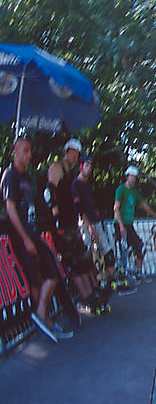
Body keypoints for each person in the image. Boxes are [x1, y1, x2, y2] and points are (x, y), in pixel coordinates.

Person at [1, 138, 71, 342]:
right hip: (21, 236)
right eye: (25, 150)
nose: (29, 155)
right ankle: (44, 320)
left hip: (34, 233)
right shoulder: (10, 175)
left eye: (30, 150)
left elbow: (36, 206)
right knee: (36, 280)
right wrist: (25, 239)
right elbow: (10, 208)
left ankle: (42, 317)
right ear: (15, 151)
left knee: (52, 273)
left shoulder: (27, 177)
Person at [44, 139, 98, 310]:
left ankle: (91, 294)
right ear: (66, 152)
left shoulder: (70, 172)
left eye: (77, 154)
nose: (74, 157)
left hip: (72, 222)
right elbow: (49, 193)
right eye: (72, 153)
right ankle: (85, 296)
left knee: (81, 259)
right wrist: (56, 218)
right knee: (72, 262)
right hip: (61, 223)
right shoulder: (57, 167)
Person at [113, 165, 156, 283]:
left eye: (135, 177)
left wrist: (155, 215)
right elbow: (116, 209)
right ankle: (123, 278)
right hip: (120, 224)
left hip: (129, 224)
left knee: (139, 246)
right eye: (132, 176)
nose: (133, 179)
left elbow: (144, 205)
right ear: (127, 176)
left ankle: (138, 273)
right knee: (123, 250)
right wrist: (121, 226)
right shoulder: (121, 189)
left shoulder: (134, 192)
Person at [73, 156, 115, 281]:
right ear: (81, 166)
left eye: (90, 166)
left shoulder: (87, 184)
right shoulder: (76, 184)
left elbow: (89, 203)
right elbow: (78, 207)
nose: (89, 168)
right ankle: (95, 283)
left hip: (95, 221)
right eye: (86, 165)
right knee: (90, 254)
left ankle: (110, 278)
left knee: (107, 251)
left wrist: (96, 213)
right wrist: (89, 227)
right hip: (86, 224)